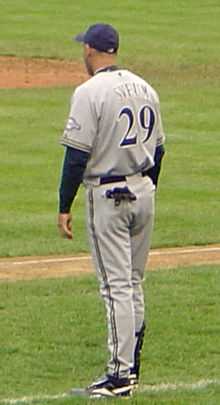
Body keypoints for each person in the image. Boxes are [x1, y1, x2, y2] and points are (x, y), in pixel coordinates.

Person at [58, 23, 165, 399]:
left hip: (107, 196)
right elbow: (160, 151)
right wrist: (147, 190)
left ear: (90, 49)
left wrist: (63, 205)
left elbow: (76, 156)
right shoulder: (145, 87)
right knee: (133, 283)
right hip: (143, 189)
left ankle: (119, 376)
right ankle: (131, 365)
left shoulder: (89, 92)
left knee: (115, 285)